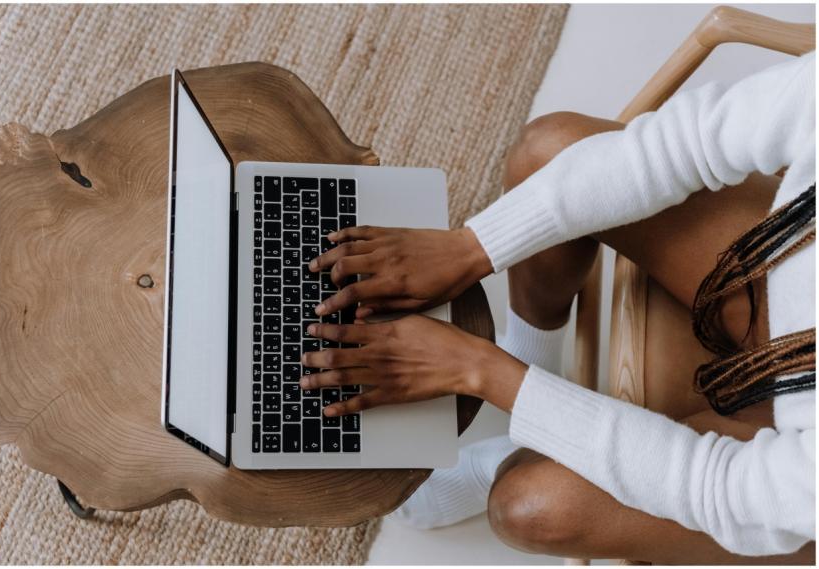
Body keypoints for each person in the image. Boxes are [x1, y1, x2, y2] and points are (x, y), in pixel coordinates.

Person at [303, 52, 815, 563]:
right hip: (775, 269)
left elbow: (724, 492)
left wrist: (482, 372)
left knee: (529, 508)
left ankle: (512, 429)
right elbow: (687, 142)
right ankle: (535, 354)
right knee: (544, 151)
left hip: (786, 481)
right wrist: (472, 248)